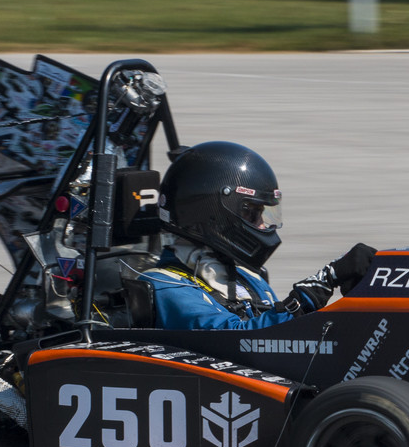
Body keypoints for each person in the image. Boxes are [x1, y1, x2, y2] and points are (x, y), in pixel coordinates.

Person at [139, 141, 374, 331]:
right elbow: (237, 339)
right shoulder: (164, 285)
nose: (262, 224)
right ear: (212, 215)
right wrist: (321, 284)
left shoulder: (248, 277)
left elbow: (288, 338)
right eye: (251, 213)